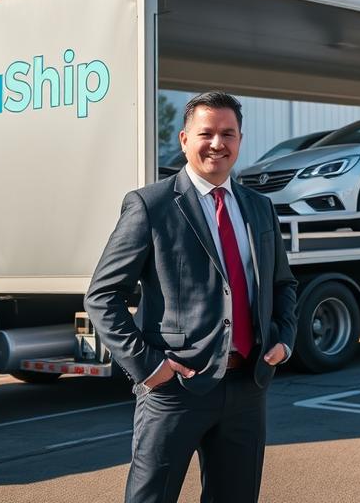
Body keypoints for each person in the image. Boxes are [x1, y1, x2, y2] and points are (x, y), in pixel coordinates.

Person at [85, 91, 298, 503]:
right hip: (175, 390)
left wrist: (284, 339)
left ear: (240, 140)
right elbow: (102, 296)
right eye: (206, 133)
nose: (218, 143)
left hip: (247, 386)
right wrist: (149, 366)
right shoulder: (151, 205)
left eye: (228, 134)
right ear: (184, 139)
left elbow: (283, 284)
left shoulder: (259, 207)